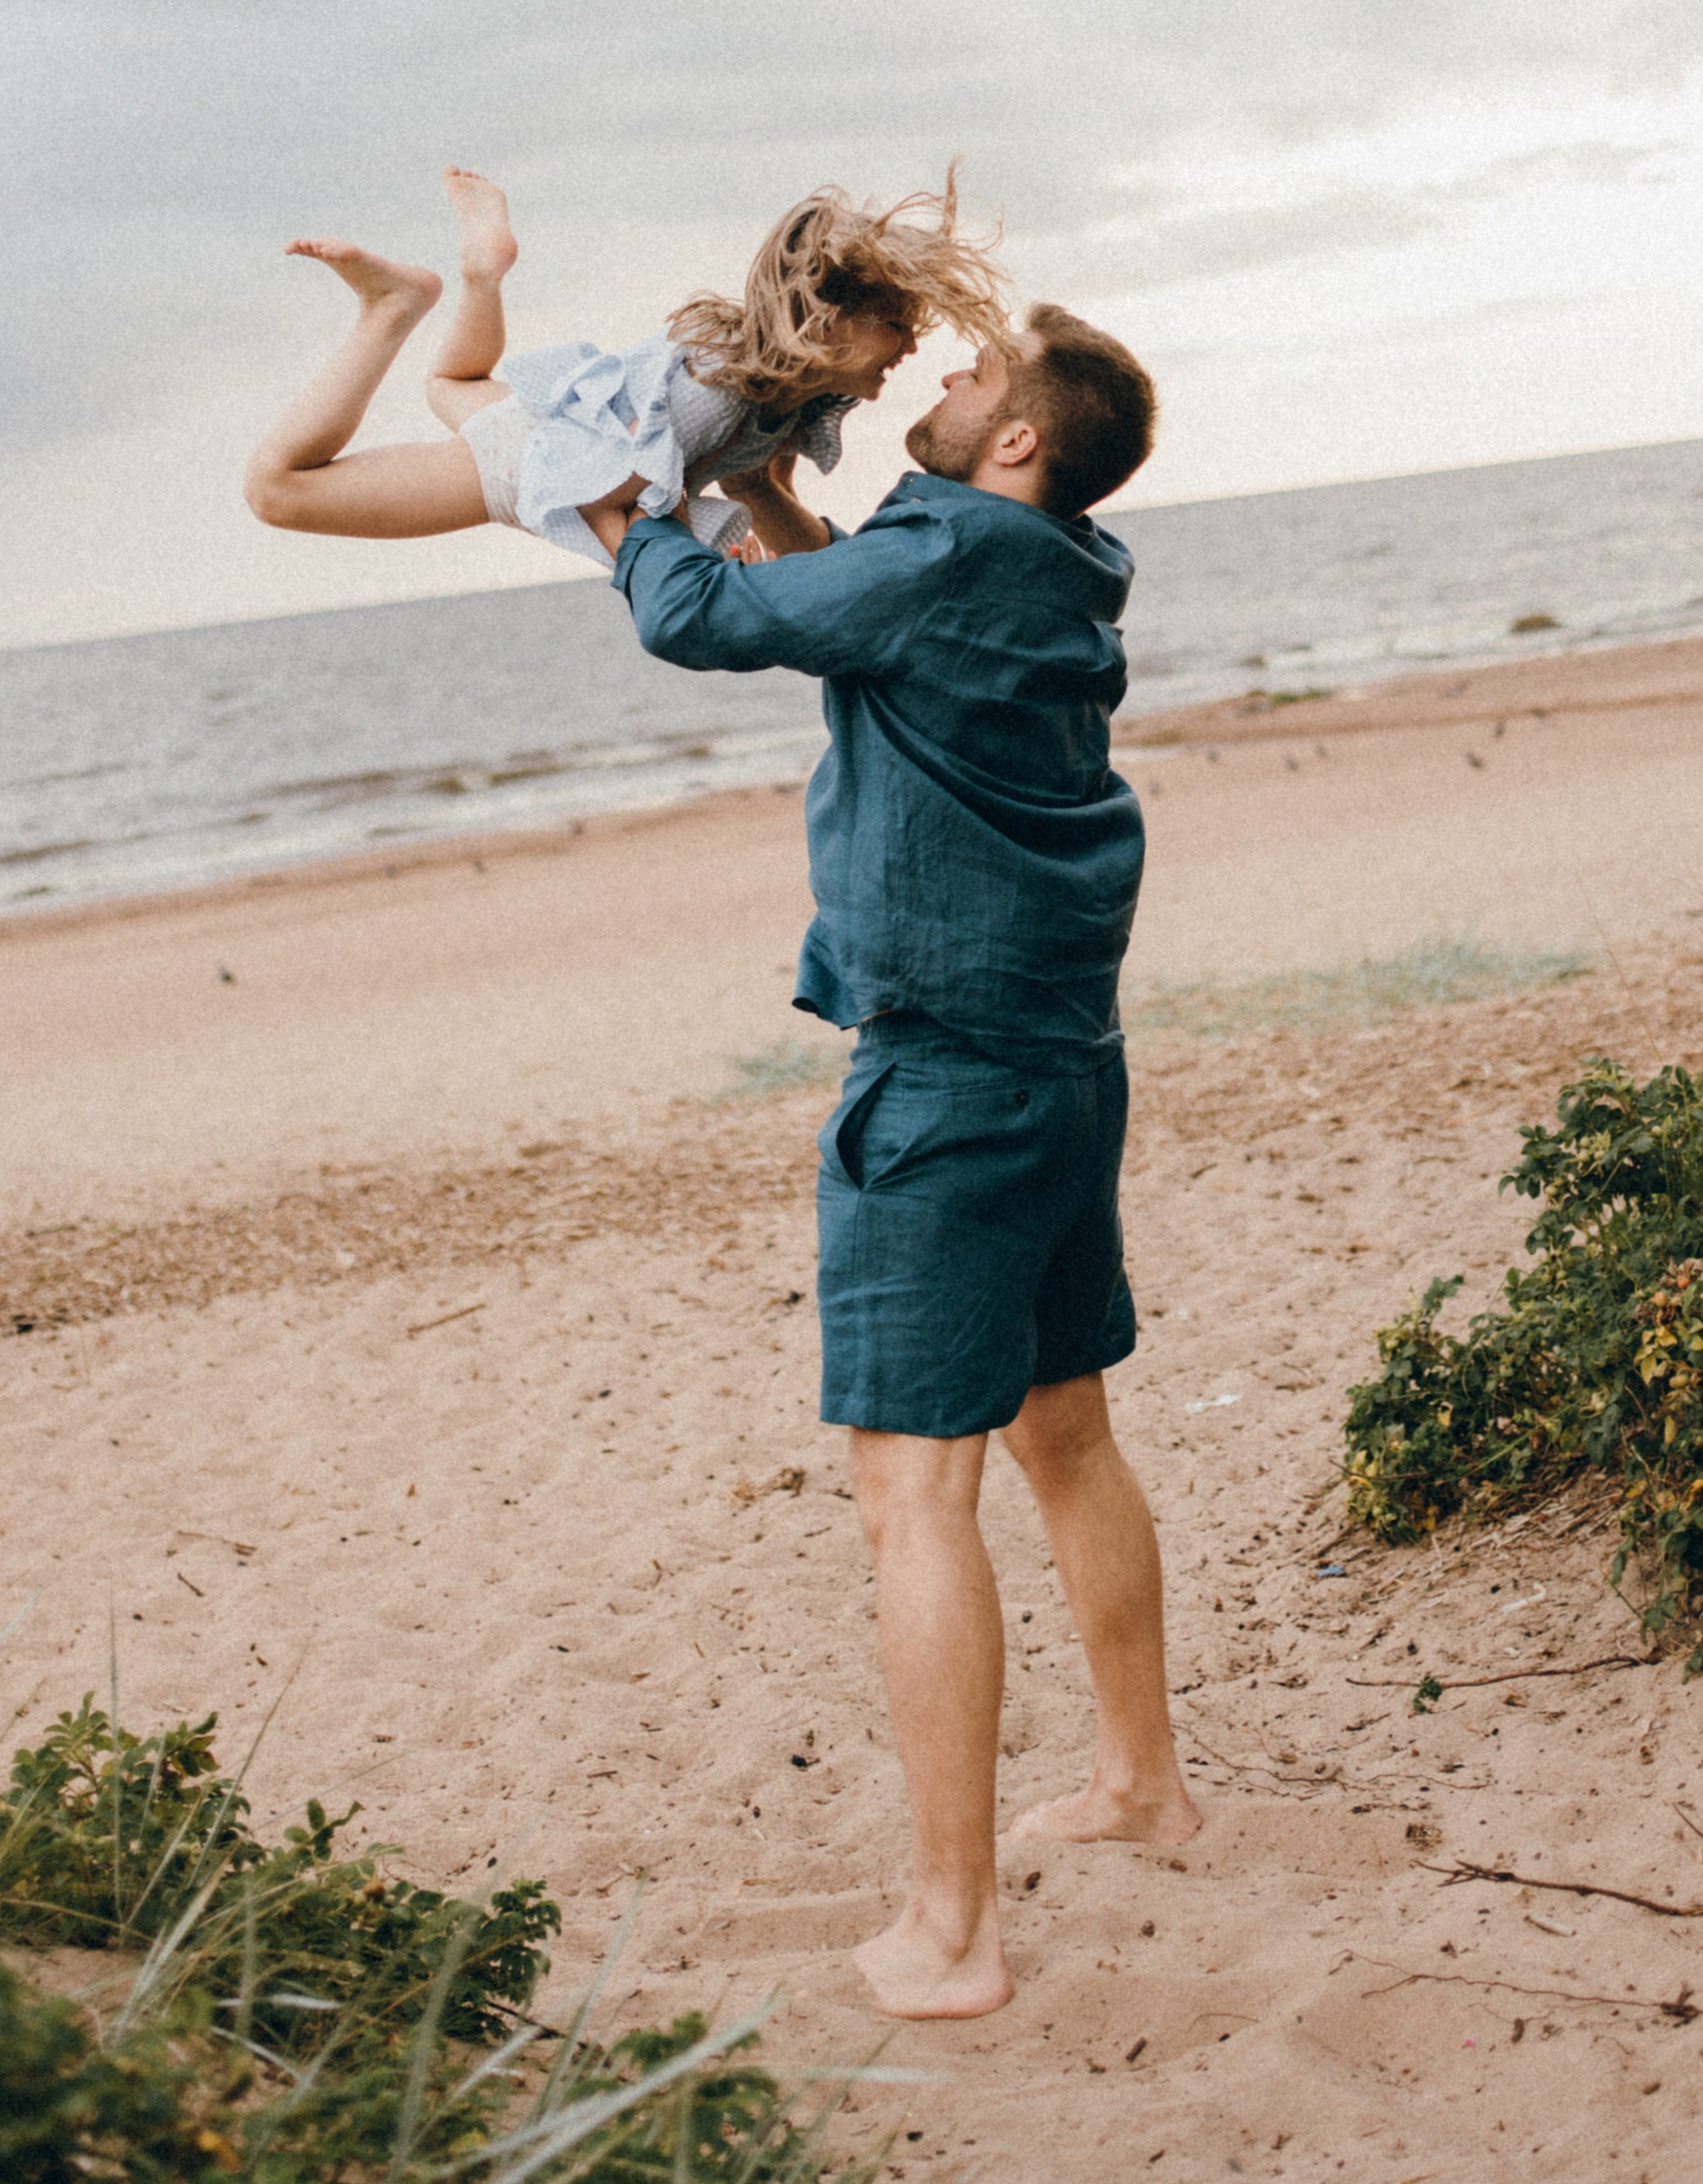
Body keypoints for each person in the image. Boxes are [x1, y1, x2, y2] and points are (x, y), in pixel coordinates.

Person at [581, 309, 1197, 2021]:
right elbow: (865, 611)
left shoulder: (942, 555)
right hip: (1063, 1062)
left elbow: (704, 621)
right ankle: (1144, 1784)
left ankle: (953, 1929)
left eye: (971, 381)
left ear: (1013, 446)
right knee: (1066, 1428)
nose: (938, 385)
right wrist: (770, 485)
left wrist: (617, 499)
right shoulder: (1058, 565)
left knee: (908, 1494)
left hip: (944, 1077)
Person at [241, 167, 1007, 558]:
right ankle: (391, 309)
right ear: (827, 318)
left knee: (454, 384)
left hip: (550, 424)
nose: (912, 347)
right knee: (277, 492)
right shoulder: (720, 400)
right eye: (896, 325)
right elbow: (608, 501)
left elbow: (778, 518)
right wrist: (682, 570)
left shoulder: (782, 398)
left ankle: (480, 272)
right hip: (530, 462)